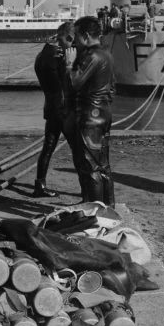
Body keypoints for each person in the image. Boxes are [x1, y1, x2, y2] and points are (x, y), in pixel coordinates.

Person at [63, 16, 115, 207]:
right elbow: (112, 87)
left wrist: (69, 64)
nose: (74, 41)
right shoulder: (107, 54)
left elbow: (73, 83)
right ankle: (108, 207)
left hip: (90, 117)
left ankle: (95, 211)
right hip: (103, 113)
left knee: (90, 166)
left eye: (76, 36)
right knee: (103, 166)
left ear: (85, 36)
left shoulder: (91, 56)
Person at [32, 22, 74, 197]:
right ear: (68, 37)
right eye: (72, 40)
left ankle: (39, 184)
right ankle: (88, 187)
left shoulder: (41, 55)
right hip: (63, 109)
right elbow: (65, 84)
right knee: (78, 149)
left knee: (48, 147)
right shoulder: (58, 58)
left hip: (50, 106)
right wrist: (70, 65)